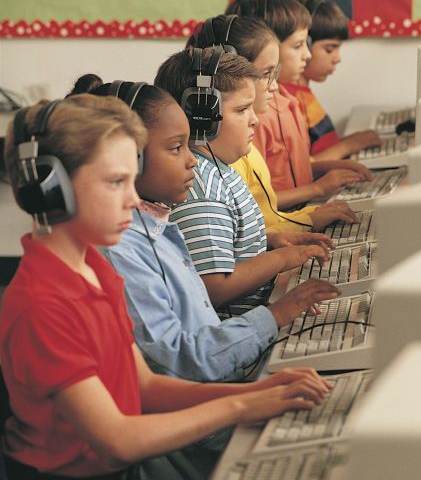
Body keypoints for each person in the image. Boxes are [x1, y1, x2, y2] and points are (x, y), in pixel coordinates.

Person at [0, 94, 332, 480]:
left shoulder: (96, 269)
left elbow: (144, 386)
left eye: (131, 180)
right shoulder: (42, 303)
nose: (133, 199)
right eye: (115, 183)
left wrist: (255, 389)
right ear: (53, 190)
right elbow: (117, 438)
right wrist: (240, 405)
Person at [70, 76, 338, 382]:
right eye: (175, 148)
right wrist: (276, 316)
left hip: (221, 375)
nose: (192, 162)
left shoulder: (156, 225)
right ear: (132, 160)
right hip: (204, 395)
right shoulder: (119, 250)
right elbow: (178, 362)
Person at [155, 47, 340, 319]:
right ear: (202, 117)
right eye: (242, 110)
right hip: (239, 336)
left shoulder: (220, 169)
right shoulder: (201, 189)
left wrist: (270, 241)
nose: (255, 119)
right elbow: (213, 287)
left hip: (259, 314)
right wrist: (281, 259)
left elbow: (224, 248)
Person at [188, 14, 359, 234]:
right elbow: (251, 237)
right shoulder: (226, 151)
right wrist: (312, 207)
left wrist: (312, 215)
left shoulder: (246, 145)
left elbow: (268, 218)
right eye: (267, 73)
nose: (275, 87)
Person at [226, 0, 374, 208]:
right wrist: (317, 188)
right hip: (286, 224)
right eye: (298, 46)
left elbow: (291, 171)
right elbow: (258, 202)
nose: (307, 55)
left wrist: (331, 168)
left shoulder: (289, 101)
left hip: (301, 215)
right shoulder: (255, 117)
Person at [288, 0, 381, 160]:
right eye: (329, 49)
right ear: (304, 45)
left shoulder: (304, 94)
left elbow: (319, 149)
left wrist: (350, 142)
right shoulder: (288, 101)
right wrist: (347, 146)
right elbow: (301, 168)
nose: (338, 58)